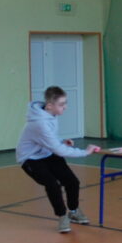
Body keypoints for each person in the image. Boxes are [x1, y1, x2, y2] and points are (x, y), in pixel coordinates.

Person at [16, 86, 101, 232]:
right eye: (61, 104)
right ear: (49, 105)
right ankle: (62, 217)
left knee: (72, 181)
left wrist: (61, 141)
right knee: (53, 185)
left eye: (65, 103)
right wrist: (85, 152)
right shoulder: (39, 123)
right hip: (30, 159)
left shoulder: (50, 115)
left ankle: (73, 211)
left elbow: (50, 139)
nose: (65, 107)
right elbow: (58, 150)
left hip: (47, 153)